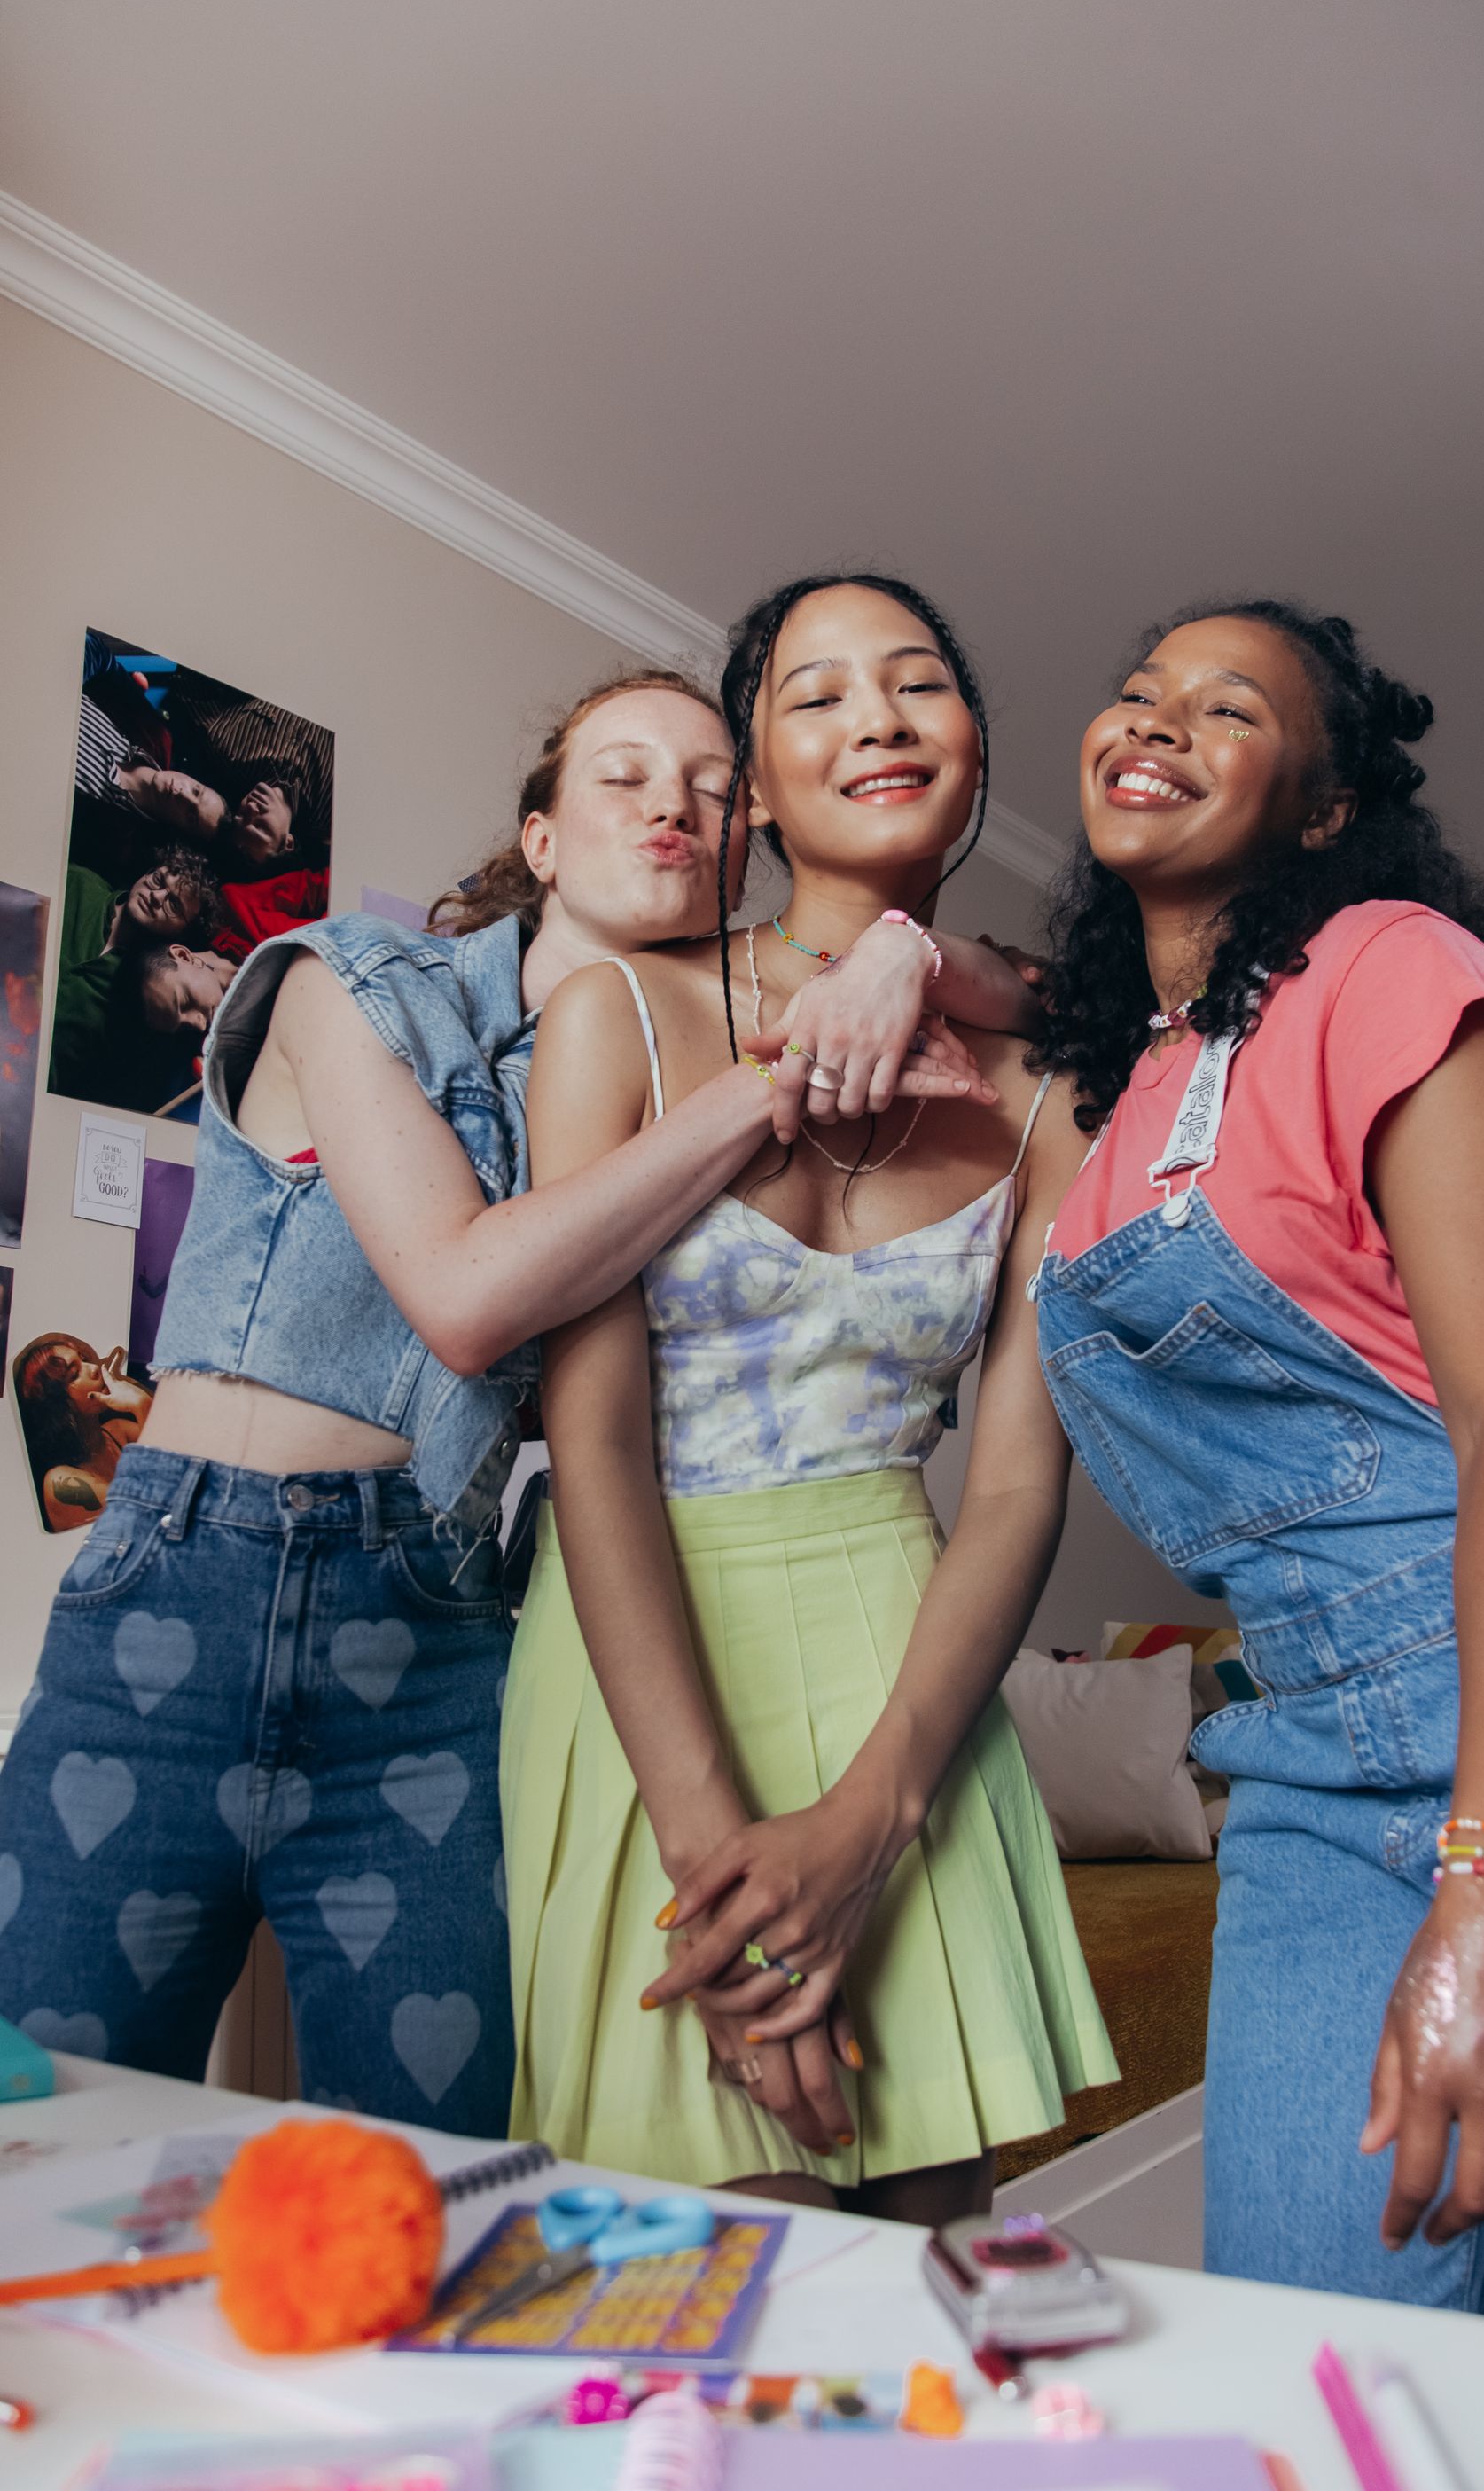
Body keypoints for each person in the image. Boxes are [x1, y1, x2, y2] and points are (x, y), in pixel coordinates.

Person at [0, 665, 1024, 2136]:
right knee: (37, 2132)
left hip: (440, 1628)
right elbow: (468, 1297)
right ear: (540, 837)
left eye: (716, 792)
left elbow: (1052, 999)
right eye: (625, 774)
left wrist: (900, 953)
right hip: (187, 1584)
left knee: (441, 2165)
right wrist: (777, 1077)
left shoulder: (640, 1085)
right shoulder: (348, 980)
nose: (676, 806)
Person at [1029, 599, 1484, 2344]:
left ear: (1325, 807)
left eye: (1227, 708)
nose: (1156, 721)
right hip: (1315, 1746)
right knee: (1313, 2344)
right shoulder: (1118, 1113)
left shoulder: (1396, 968)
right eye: (1137, 694)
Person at [504, 576, 1115, 2222]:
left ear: (973, 750)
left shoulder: (1052, 1087)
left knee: (925, 2247)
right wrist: (722, 1875)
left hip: (908, 1669)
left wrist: (875, 1819)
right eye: (818, 695)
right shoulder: (625, 1015)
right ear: (757, 791)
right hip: (641, 1667)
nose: (878, 720)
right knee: (693, 2268)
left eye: (917, 683)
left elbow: (1016, 1484)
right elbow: (594, 1445)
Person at [47, 850, 226, 1108]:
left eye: (174, 904)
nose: (156, 896)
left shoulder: (142, 998)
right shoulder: (78, 883)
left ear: (183, 935)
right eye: (158, 880)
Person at [10, 1335, 152, 1532]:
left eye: (84, 1360)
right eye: (75, 1373)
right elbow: (154, 1515)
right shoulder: (59, 1482)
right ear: (57, 1405)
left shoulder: (118, 1432)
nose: (94, 1368)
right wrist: (142, 1404)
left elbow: (185, 1461)